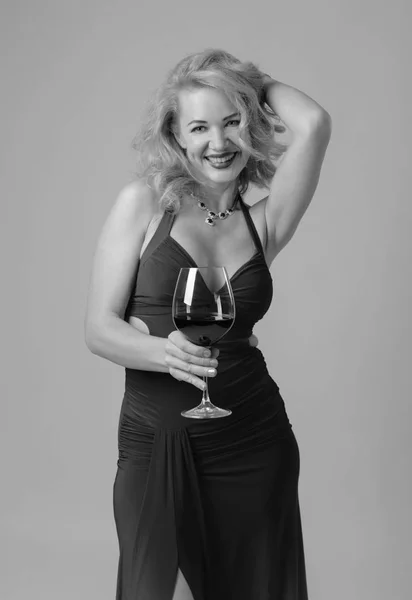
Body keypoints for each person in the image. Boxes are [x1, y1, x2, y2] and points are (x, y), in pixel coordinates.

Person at [84, 48, 332, 600]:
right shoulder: (144, 204)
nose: (217, 143)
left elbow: (313, 123)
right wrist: (164, 355)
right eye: (199, 126)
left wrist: (245, 83)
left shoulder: (264, 220)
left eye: (232, 121)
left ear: (252, 124)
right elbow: (99, 329)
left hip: (252, 434)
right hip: (160, 438)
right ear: (175, 135)